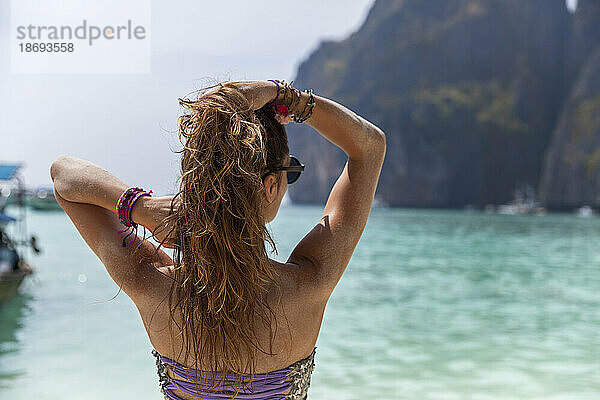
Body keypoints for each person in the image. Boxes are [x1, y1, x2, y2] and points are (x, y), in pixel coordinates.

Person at [49, 79, 386, 399]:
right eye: (290, 172)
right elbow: (369, 147)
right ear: (270, 188)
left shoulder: (149, 282)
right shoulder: (310, 282)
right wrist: (289, 97)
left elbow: (63, 174)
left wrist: (141, 207)